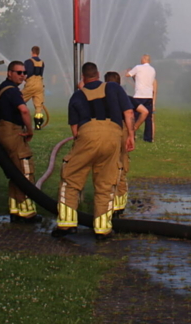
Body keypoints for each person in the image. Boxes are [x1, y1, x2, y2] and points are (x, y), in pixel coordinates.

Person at [53, 62, 134, 239]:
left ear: (83, 77)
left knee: (71, 178)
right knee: (106, 182)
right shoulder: (113, 87)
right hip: (114, 135)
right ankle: (103, 229)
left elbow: (74, 131)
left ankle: (66, 225)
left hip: (87, 134)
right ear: (98, 74)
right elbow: (128, 113)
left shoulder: (77, 95)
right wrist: (130, 136)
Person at [0, 61, 39, 223]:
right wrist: (29, 129)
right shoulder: (13, 91)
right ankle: (27, 213)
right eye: (19, 72)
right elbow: (24, 110)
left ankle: (15, 209)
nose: (22, 76)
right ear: (9, 73)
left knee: (14, 171)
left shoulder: (1, 88)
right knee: (25, 171)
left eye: (24, 73)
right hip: (13, 133)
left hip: (0, 132)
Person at [104, 71, 148, 216]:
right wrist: (134, 129)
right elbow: (144, 112)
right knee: (121, 167)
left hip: (105, 132)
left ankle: (107, 202)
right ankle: (119, 205)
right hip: (122, 131)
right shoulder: (126, 99)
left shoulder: (102, 98)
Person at [126, 54, 157, 143]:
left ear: (144, 59)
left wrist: (132, 73)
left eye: (141, 58)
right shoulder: (152, 70)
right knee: (149, 118)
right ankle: (148, 138)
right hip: (149, 95)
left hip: (139, 95)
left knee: (134, 115)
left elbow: (128, 74)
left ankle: (132, 133)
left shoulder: (138, 67)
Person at [22, 45, 47, 130]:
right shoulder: (42, 62)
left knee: (20, 101)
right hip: (39, 84)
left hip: (31, 84)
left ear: (31, 52)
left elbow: (26, 73)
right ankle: (38, 124)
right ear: (38, 52)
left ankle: (20, 121)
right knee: (38, 106)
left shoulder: (28, 62)